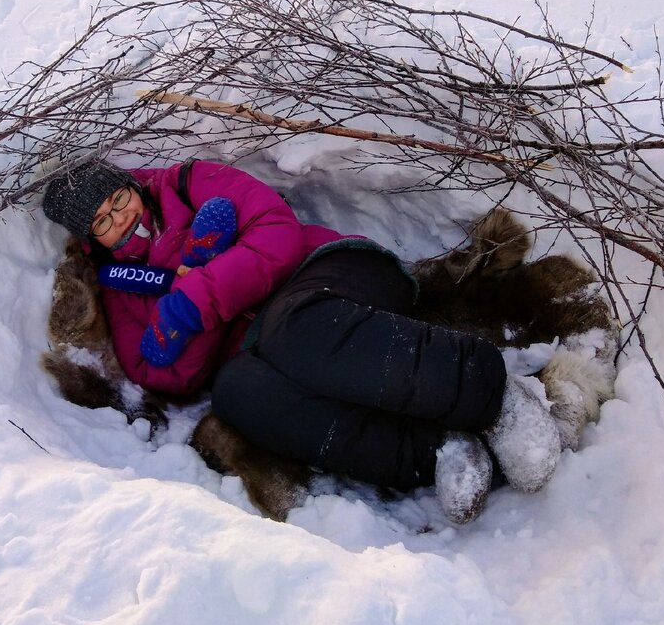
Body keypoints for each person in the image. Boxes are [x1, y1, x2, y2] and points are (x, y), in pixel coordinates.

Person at [41, 156, 561, 523]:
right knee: (239, 395)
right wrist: (195, 310)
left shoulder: (188, 183)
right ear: (93, 239)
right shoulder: (121, 287)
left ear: (131, 185)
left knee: (292, 328)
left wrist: (198, 294)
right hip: (264, 347)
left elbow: (276, 232)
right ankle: (437, 451)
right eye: (103, 222)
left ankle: (491, 395)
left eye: (119, 198)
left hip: (329, 275)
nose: (121, 217)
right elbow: (164, 374)